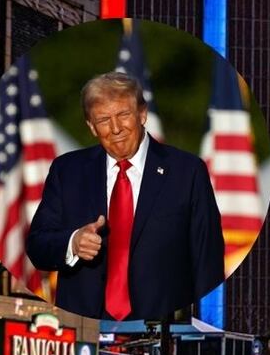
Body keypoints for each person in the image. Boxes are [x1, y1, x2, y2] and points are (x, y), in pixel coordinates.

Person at [26, 71, 225, 320]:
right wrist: (73, 242)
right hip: (84, 326)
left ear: (142, 114)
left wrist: (202, 329)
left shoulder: (187, 172)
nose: (116, 128)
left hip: (159, 327)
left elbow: (208, 261)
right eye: (103, 119)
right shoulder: (67, 171)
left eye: (123, 115)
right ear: (91, 126)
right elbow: (37, 245)